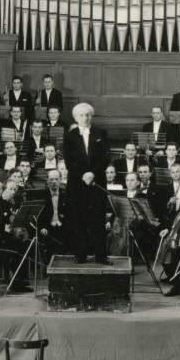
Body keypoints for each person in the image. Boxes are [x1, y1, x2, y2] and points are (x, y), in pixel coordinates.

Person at [63, 102, 111, 264]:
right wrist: (83, 175)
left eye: (88, 114)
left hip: (97, 183)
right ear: (76, 118)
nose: (85, 118)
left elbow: (106, 157)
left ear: (91, 116)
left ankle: (101, 256)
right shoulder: (69, 136)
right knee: (78, 219)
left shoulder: (101, 133)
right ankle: (80, 255)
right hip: (77, 184)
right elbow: (69, 162)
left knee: (98, 220)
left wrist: (92, 173)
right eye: (81, 115)